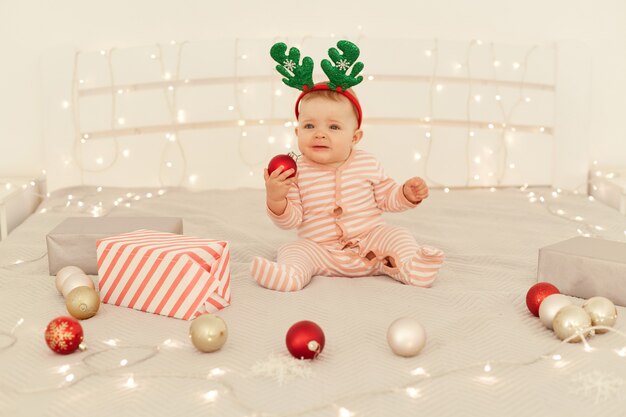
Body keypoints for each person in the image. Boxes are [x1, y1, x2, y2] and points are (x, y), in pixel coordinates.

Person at [250, 41, 444, 291]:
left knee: (398, 235)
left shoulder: (367, 162)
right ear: (297, 132)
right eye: (309, 126)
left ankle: (412, 267)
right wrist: (276, 199)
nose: (319, 134)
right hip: (322, 251)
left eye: (333, 127)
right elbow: (291, 220)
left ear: (355, 137)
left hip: (371, 245)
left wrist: (405, 194)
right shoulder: (296, 171)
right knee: (293, 248)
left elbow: (386, 198)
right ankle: (290, 275)